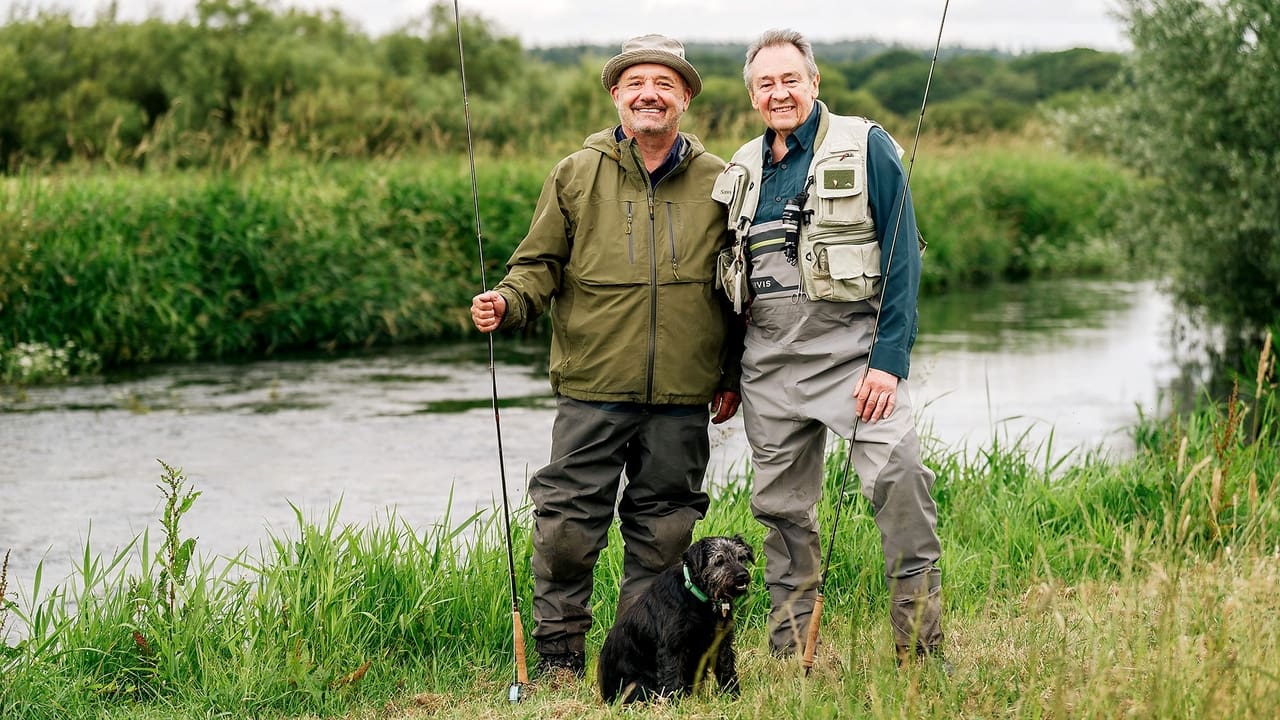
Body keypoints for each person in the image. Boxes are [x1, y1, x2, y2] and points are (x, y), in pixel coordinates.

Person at [470, 34, 743, 678]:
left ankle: (640, 664)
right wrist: (508, 303)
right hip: (591, 385)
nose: (650, 94)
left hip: (682, 394)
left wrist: (730, 375)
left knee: (667, 535)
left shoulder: (723, 180)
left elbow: (738, 289)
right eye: (636, 84)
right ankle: (561, 658)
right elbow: (537, 265)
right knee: (566, 529)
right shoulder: (574, 172)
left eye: (665, 85)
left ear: (685, 98)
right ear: (617, 95)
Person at [711, 28, 943, 663]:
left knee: (902, 489)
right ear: (752, 94)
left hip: (855, 362)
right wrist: (730, 376)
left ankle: (921, 653)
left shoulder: (867, 145)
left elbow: (903, 261)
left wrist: (888, 363)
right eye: (766, 83)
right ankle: (792, 655)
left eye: (791, 79)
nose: (779, 92)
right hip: (766, 367)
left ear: (815, 83)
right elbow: (731, 285)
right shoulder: (740, 168)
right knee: (782, 516)